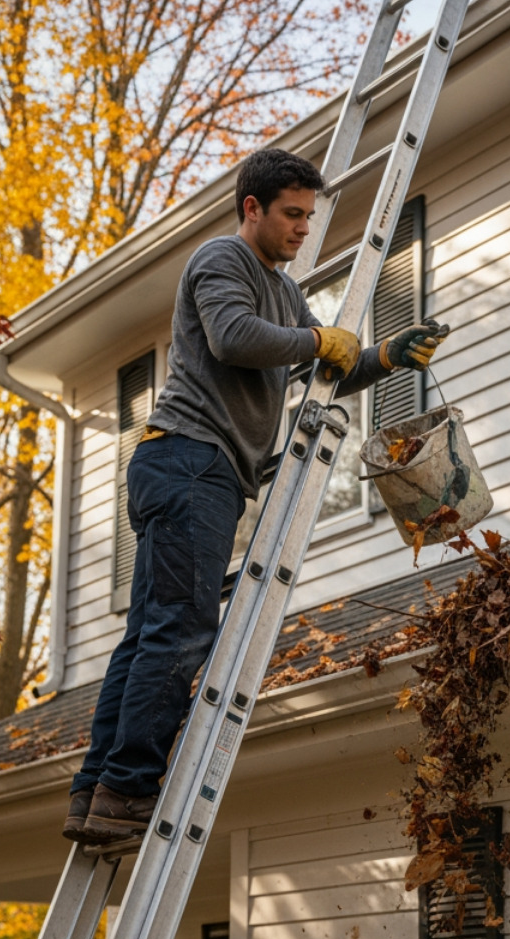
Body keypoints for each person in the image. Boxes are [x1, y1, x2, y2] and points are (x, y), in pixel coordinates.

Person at [64, 149, 448, 842]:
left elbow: (323, 361)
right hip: (188, 461)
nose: (304, 229)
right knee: (180, 634)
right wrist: (313, 337)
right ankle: (126, 788)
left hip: (196, 471)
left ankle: (99, 792)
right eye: (292, 215)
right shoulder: (222, 261)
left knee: (148, 636)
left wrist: (386, 356)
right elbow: (236, 338)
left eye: (311, 216)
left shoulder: (286, 292)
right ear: (253, 209)